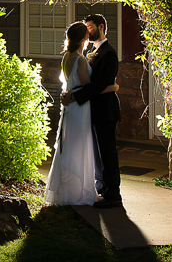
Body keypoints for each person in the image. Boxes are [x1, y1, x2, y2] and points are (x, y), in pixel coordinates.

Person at [45, 21, 119, 206]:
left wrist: (70, 94)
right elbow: (90, 87)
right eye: (87, 31)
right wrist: (112, 87)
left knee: (72, 145)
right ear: (83, 38)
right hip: (80, 107)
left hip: (73, 108)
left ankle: (71, 189)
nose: (89, 34)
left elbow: (73, 83)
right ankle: (79, 191)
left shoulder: (67, 57)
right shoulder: (80, 59)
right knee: (81, 147)